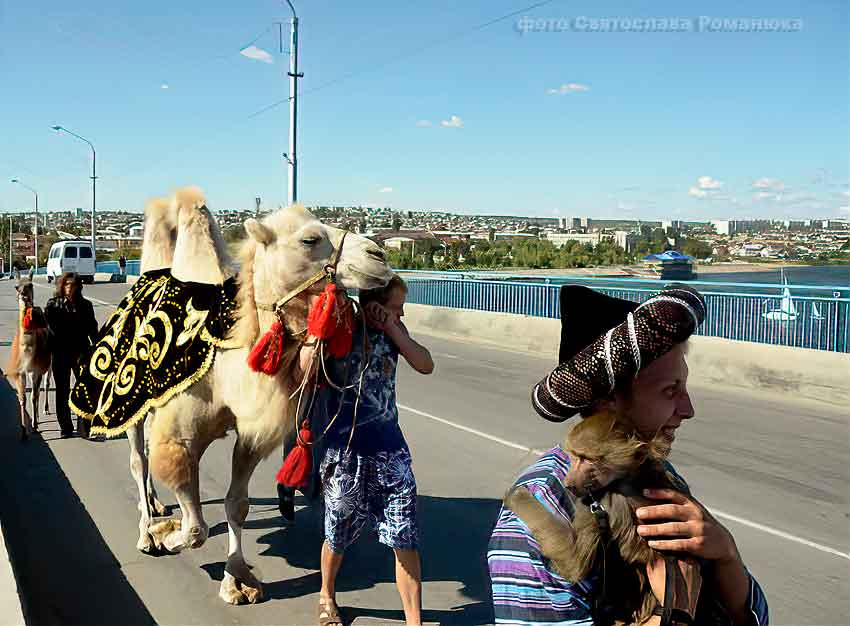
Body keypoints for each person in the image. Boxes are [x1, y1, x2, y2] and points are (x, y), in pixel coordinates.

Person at [488, 285, 769, 626]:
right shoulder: (540, 517)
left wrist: (726, 555)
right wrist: (672, 614)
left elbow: (749, 618)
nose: (688, 409)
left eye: (683, 387)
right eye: (670, 391)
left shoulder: (657, 474)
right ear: (608, 401)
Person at [307, 274, 433, 626]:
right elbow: (305, 370)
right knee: (338, 533)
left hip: (390, 452)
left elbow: (425, 364)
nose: (402, 314)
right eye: (396, 307)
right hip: (346, 455)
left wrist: (393, 329)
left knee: (404, 535)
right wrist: (320, 335)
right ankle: (326, 594)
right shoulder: (340, 335)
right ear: (373, 303)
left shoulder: (395, 334)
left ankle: (414, 620)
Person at [45, 272, 99, 439]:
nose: (69, 288)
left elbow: (93, 329)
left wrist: (96, 349)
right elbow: (49, 332)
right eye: (66, 284)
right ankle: (65, 428)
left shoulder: (86, 305)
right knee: (62, 391)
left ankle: (84, 429)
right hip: (60, 354)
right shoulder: (53, 305)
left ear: (78, 287)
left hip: (81, 354)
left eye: (73, 285)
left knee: (84, 391)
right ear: (61, 286)